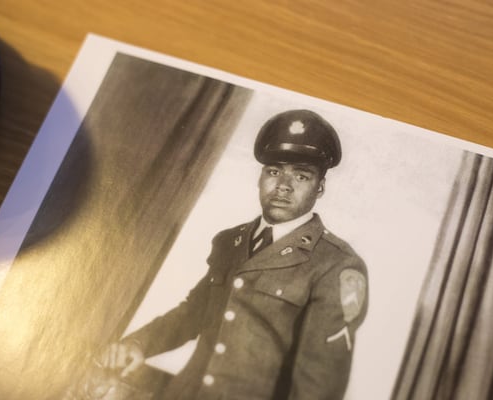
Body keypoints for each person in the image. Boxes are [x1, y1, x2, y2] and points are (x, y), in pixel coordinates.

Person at [101, 109, 368, 400]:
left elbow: (318, 385)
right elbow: (195, 312)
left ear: (320, 188)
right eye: (274, 171)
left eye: (301, 176)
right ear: (260, 177)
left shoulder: (337, 265)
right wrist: (140, 343)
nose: (283, 186)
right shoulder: (230, 241)